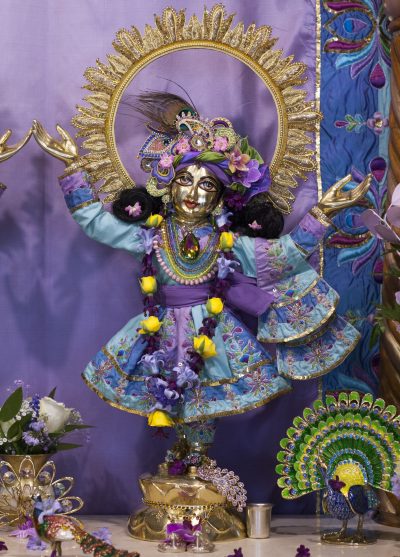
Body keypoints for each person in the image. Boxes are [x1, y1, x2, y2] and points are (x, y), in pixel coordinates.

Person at [32, 93, 369, 430]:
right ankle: (180, 457)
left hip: (215, 336)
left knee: (203, 413)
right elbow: (97, 223)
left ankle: (198, 457)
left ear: (220, 198)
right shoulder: (152, 236)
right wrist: (73, 167)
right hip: (159, 332)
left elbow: (284, 255)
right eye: (184, 180)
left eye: (206, 184)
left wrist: (323, 212)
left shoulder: (227, 243)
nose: (193, 193)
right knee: (168, 402)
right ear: (168, 188)